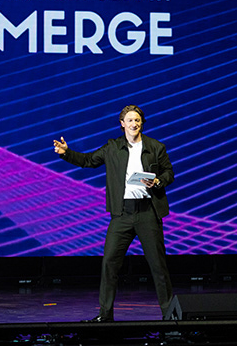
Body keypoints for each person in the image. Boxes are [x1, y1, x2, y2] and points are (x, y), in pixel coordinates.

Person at [53, 104, 174, 322]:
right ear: (122, 124)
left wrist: (157, 181)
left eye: (137, 120)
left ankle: (170, 315)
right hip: (122, 214)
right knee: (109, 263)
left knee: (158, 266)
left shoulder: (156, 147)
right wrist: (67, 153)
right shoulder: (112, 147)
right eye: (130, 120)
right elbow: (88, 161)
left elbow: (169, 173)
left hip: (148, 212)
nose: (134, 124)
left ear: (142, 123)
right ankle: (105, 315)